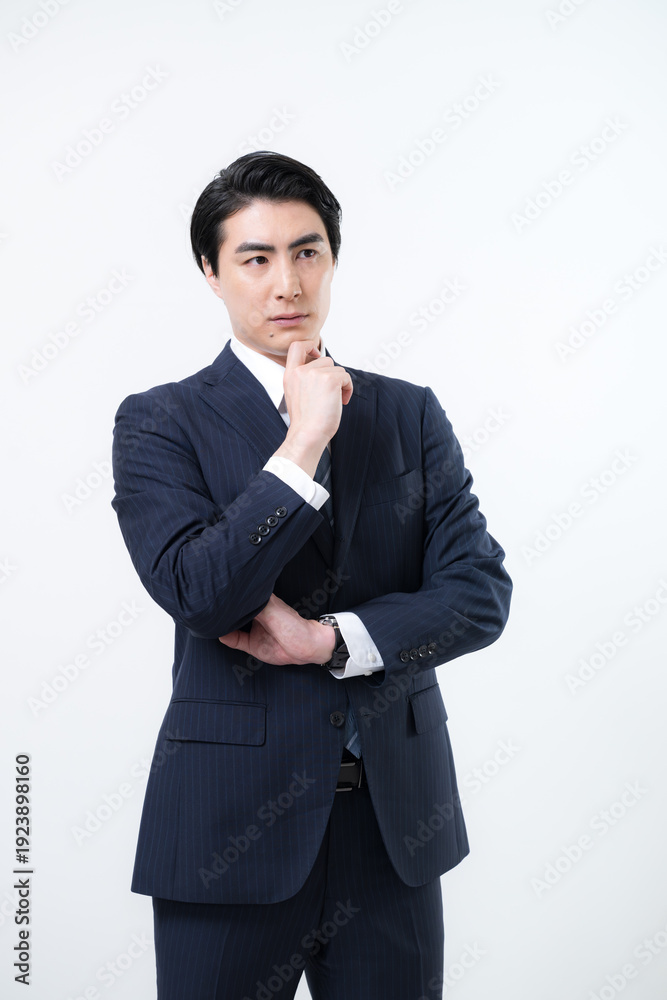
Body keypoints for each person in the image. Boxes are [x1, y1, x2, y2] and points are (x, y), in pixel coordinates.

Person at [110, 150, 512, 999]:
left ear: (332, 258)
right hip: (228, 831)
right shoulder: (160, 422)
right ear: (211, 272)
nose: (287, 283)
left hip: (391, 830)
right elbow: (199, 593)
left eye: (306, 252)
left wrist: (330, 641)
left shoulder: (407, 413)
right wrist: (303, 442)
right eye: (255, 258)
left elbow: (478, 594)